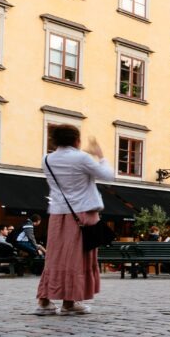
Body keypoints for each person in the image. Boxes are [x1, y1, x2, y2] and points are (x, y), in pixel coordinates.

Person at [37, 125, 114, 315]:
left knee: (55, 257)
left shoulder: (47, 159)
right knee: (77, 258)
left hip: (57, 213)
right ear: (76, 140)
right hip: (82, 213)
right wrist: (101, 156)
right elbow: (108, 175)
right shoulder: (81, 158)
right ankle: (69, 303)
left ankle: (44, 300)